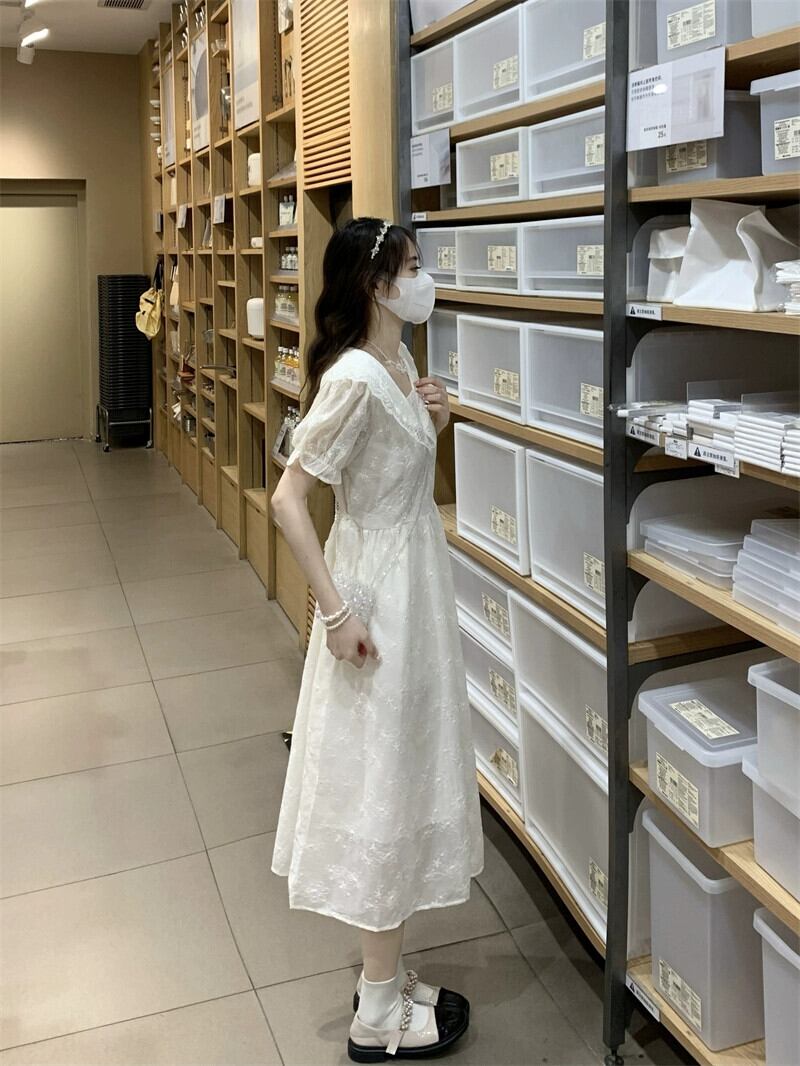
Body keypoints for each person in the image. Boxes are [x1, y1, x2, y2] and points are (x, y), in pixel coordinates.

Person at [270, 217, 484, 1063]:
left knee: (402, 771)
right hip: (378, 600)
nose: (424, 279)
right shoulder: (356, 375)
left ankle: (387, 980)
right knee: (381, 785)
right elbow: (289, 499)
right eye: (412, 267)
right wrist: (335, 615)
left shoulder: (398, 364)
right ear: (375, 284)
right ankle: (377, 1013)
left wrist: (438, 418)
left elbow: (392, 470)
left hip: (412, 587)